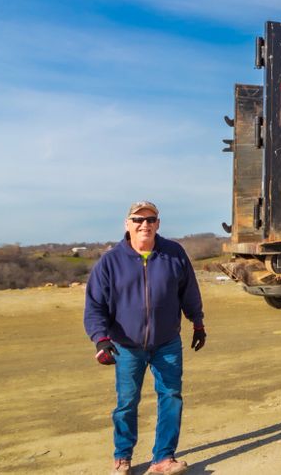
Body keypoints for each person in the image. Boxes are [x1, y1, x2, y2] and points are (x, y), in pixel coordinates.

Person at [84, 201, 206, 475]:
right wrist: (100, 339)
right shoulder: (111, 261)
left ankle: (163, 458)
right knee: (126, 403)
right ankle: (123, 458)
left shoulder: (173, 254)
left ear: (158, 224)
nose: (144, 225)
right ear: (127, 224)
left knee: (171, 396)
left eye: (150, 220)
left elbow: (189, 291)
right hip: (126, 346)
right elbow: (95, 305)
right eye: (138, 220)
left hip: (167, 342)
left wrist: (197, 323)